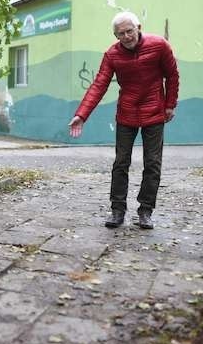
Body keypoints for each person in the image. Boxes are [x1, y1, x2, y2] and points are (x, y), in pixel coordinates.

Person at [69, 11, 179, 229]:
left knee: (153, 163)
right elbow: (99, 84)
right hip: (127, 113)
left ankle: (145, 211)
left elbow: (172, 75)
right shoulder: (112, 55)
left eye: (130, 31)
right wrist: (81, 115)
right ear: (116, 36)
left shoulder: (159, 46)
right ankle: (117, 210)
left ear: (138, 27)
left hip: (154, 111)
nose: (127, 36)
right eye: (121, 34)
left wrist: (169, 104)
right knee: (121, 163)